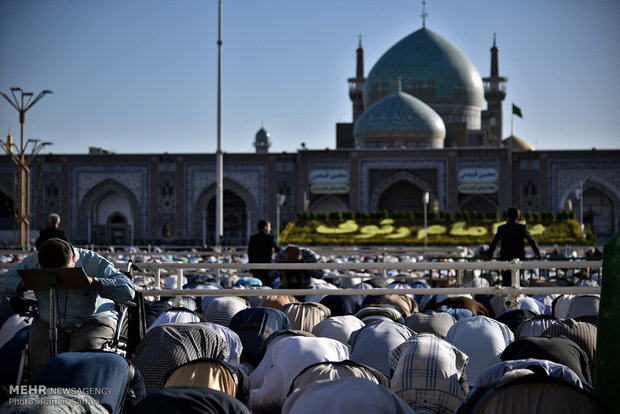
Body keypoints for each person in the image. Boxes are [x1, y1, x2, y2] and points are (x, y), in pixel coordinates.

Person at [0, 238, 135, 377]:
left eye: (65, 273)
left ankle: (82, 393)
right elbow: (2, 282)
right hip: (48, 319)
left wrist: (95, 282)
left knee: (83, 350)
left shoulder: (93, 261)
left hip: (93, 319)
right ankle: (46, 392)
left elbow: (128, 290)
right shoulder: (33, 261)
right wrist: (24, 282)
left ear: (74, 258)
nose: (59, 279)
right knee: (41, 351)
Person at [486, 207, 542, 286]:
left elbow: (494, 243)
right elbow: (531, 241)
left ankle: (506, 298)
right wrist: (538, 253)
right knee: (516, 282)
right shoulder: (522, 228)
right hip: (518, 259)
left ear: (508, 216)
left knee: (506, 283)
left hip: (505, 259)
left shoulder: (501, 228)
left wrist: (489, 255)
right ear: (518, 217)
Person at [247, 219, 280, 286]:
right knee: (269, 286)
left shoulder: (253, 238)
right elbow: (278, 250)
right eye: (269, 227)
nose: (270, 229)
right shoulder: (270, 238)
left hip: (256, 267)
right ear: (265, 227)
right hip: (267, 267)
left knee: (256, 285)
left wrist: (251, 267)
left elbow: (250, 254)